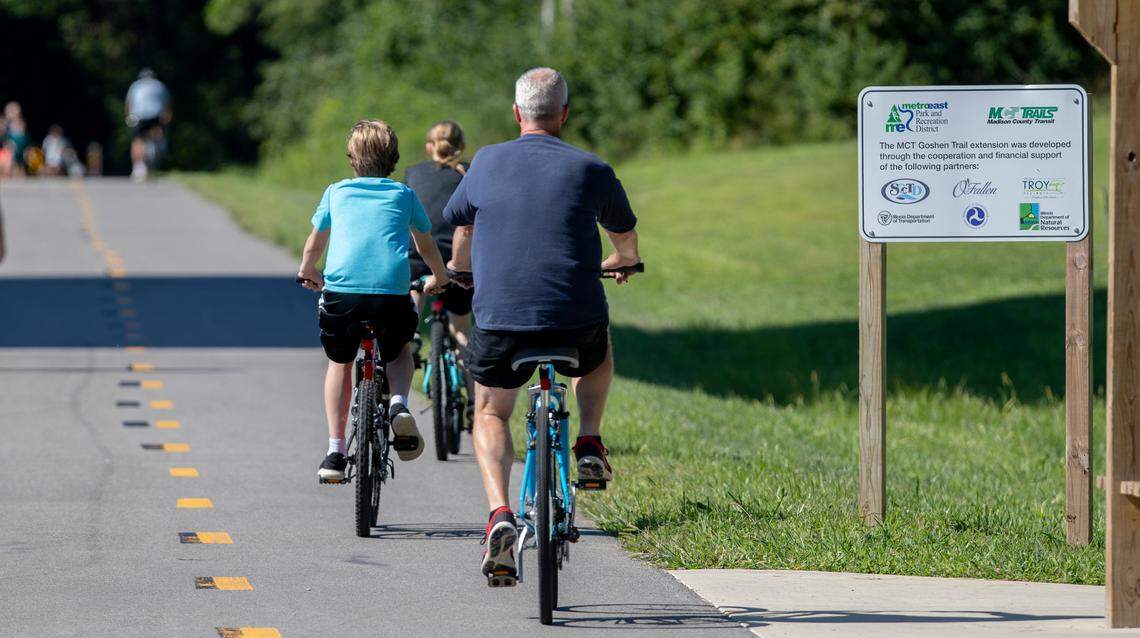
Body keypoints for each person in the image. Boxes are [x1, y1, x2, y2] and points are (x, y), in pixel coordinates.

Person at [443, 67, 641, 582]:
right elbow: (626, 237)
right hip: (575, 318)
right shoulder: (592, 168)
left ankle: (500, 515)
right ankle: (590, 441)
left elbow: (459, 221)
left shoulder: (485, 162)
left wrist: (462, 272)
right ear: (565, 114)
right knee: (597, 349)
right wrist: (624, 261)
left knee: (489, 410)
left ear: (517, 113)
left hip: (502, 318)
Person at [296, 119, 451, 483]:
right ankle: (398, 403)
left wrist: (308, 271)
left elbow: (315, 242)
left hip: (343, 297)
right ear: (393, 159)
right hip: (390, 296)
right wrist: (440, 278)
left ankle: (335, 451)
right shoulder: (403, 195)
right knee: (398, 351)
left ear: (352, 159)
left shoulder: (336, 192)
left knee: (340, 362)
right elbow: (424, 245)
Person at [403, 121, 476, 409]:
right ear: (462, 147)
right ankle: (473, 401)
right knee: (461, 329)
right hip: (458, 263)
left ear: (429, 147)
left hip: (419, 257)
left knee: (410, 307)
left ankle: (410, 337)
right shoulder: (469, 173)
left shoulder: (413, 173)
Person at [125, 68, 171, 181]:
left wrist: (128, 117)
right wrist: (167, 118)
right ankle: (159, 147)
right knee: (158, 133)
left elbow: (129, 103)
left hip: (139, 116)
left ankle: (138, 167)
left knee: (137, 140)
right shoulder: (159, 85)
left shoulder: (135, 85)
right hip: (156, 117)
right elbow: (167, 104)